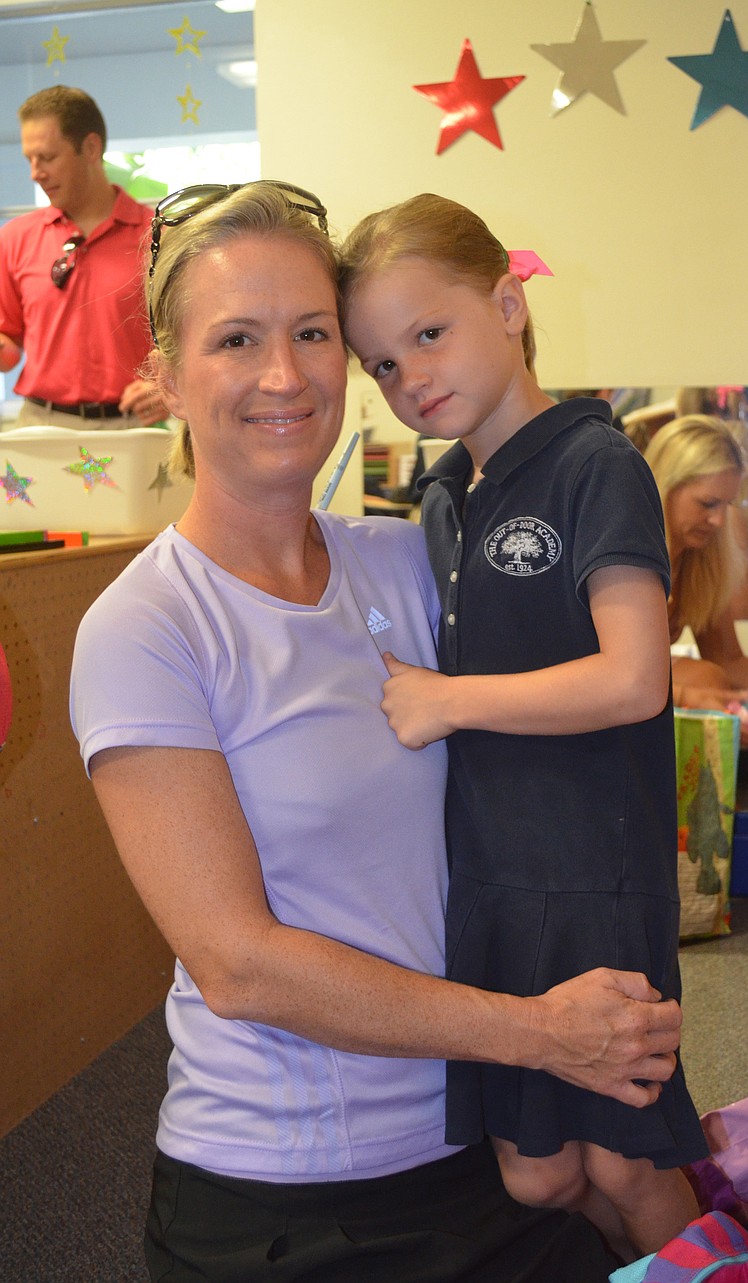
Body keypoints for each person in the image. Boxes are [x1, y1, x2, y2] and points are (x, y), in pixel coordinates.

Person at [69, 181, 685, 1283]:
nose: (283, 374)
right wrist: (540, 1031)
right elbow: (241, 963)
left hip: (484, 1134)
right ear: (162, 374)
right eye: (236, 339)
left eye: (313, 334)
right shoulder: (148, 626)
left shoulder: (407, 557)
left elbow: (584, 721)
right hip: (293, 1196)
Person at [339, 192, 707, 1261]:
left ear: (507, 302)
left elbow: (635, 676)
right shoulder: (446, 493)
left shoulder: (598, 464)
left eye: (428, 333)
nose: (410, 377)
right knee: (538, 1168)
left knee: (625, 1159)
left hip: (594, 870)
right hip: (492, 881)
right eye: (382, 364)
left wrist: (447, 700)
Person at [0, 85, 168, 428]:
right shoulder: (14, 238)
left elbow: (192, 340)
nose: (35, 172)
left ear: (90, 148)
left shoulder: (158, 238)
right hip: (39, 424)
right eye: (29, 160)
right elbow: (8, 342)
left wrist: (170, 383)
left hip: (134, 426)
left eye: (47, 158)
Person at [643, 414, 748, 709]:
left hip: (640, 695)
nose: (719, 520)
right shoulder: (624, 557)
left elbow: (729, 660)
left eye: (727, 504)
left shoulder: (700, 563)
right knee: (706, 679)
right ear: (665, 489)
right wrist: (688, 696)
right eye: (708, 503)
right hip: (594, 695)